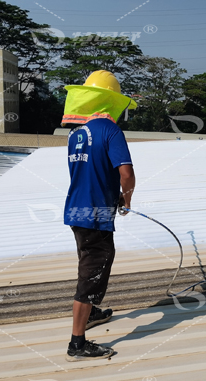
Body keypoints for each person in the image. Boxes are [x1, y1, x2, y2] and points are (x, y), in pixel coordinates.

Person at [61, 70, 137, 361]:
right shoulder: (111, 130)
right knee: (92, 275)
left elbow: (88, 173)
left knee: (88, 263)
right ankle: (77, 343)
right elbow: (126, 174)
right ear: (111, 100)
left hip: (76, 209)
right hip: (95, 214)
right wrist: (126, 199)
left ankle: (91, 313)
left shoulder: (75, 134)